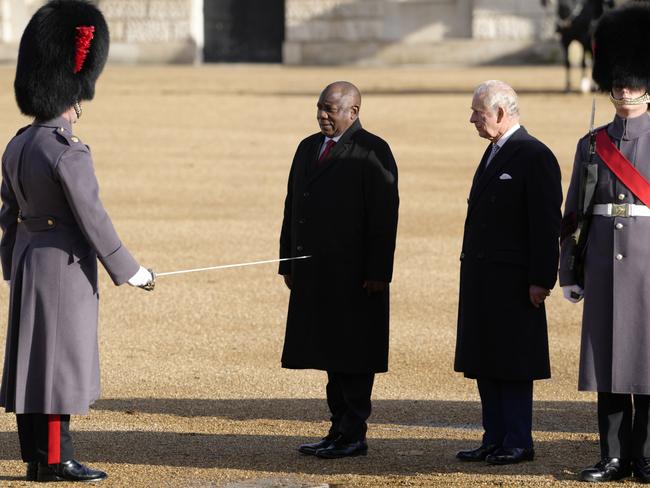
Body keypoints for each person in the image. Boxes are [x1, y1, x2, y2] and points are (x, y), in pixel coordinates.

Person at [0, 0, 154, 482]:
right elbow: (94, 217)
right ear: (72, 93)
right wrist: (129, 270)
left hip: (29, 260)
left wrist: (11, 261)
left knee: (31, 361)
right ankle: (54, 459)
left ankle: (35, 459)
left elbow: (8, 211)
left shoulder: (20, 142)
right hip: (64, 265)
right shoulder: (68, 151)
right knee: (57, 366)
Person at [279, 81, 399, 459]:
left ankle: (353, 434)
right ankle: (337, 428)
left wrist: (379, 271)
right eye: (319, 107)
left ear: (353, 111)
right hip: (316, 274)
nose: (322, 115)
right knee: (329, 353)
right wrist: (288, 260)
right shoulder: (307, 148)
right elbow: (292, 207)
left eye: (330, 109)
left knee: (354, 355)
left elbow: (384, 217)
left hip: (356, 276)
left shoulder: (372, 150)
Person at [560, 3, 650, 483]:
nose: (625, 91)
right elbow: (574, 212)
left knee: (649, 365)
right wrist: (568, 269)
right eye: (619, 83)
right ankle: (612, 455)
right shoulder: (592, 143)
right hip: (603, 263)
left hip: (648, 266)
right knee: (609, 365)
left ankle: (647, 455)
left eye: (633, 83)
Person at [454, 80, 562, 465]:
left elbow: (547, 224)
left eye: (477, 113)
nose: (471, 120)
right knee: (486, 359)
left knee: (514, 363)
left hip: (516, 282)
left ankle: (518, 440)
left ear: (500, 114)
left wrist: (541, 279)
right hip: (484, 279)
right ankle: (494, 437)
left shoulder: (534, 155)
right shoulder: (494, 152)